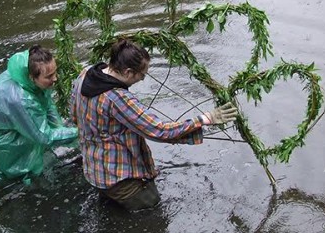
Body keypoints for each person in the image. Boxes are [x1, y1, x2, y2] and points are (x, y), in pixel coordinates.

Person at [70, 39, 238, 211]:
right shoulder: (117, 98)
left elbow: (74, 114)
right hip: (121, 180)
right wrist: (205, 119)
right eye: (141, 75)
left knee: (112, 217)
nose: (143, 79)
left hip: (95, 172)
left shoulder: (85, 74)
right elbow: (160, 131)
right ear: (128, 72)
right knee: (152, 215)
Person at [0, 45, 78, 186]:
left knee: (37, 138)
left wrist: (60, 128)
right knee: (17, 169)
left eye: (55, 72)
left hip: (4, 117)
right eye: (49, 76)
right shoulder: (22, 100)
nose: (55, 79)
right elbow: (44, 137)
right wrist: (81, 131)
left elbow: (47, 102)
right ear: (31, 77)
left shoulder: (24, 74)